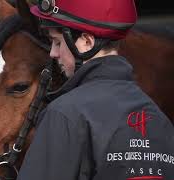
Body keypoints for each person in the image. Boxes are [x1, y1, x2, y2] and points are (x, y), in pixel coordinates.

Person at [17, 0, 174, 179]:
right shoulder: (158, 118)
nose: (53, 53)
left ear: (86, 41)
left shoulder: (65, 114)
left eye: (57, 42)